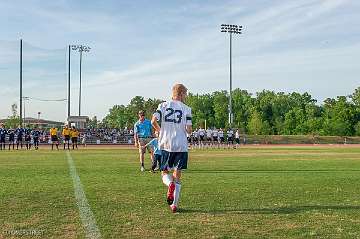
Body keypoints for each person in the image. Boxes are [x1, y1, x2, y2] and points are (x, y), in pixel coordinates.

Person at [151, 83, 192, 213]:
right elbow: (189, 129)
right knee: (177, 175)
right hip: (180, 144)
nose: (186, 96)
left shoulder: (162, 105)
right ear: (180, 94)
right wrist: (187, 130)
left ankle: (170, 184)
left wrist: (161, 131)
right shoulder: (186, 109)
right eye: (185, 94)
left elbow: (153, 121)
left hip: (166, 144)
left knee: (164, 172)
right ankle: (174, 205)